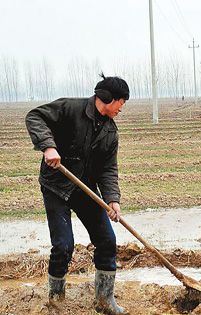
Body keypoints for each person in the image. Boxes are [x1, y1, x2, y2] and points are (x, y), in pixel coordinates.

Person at [25, 73, 129, 314]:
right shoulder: (70, 109)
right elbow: (35, 116)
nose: (121, 109)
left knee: (107, 240)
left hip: (85, 189)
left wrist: (112, 199)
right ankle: (56, 300)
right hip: (56, 186)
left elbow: (108, 169)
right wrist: (48, 146)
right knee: (63, 245)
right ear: (107, 98)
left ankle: (104, 300)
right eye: (121, 103)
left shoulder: (110, 133)